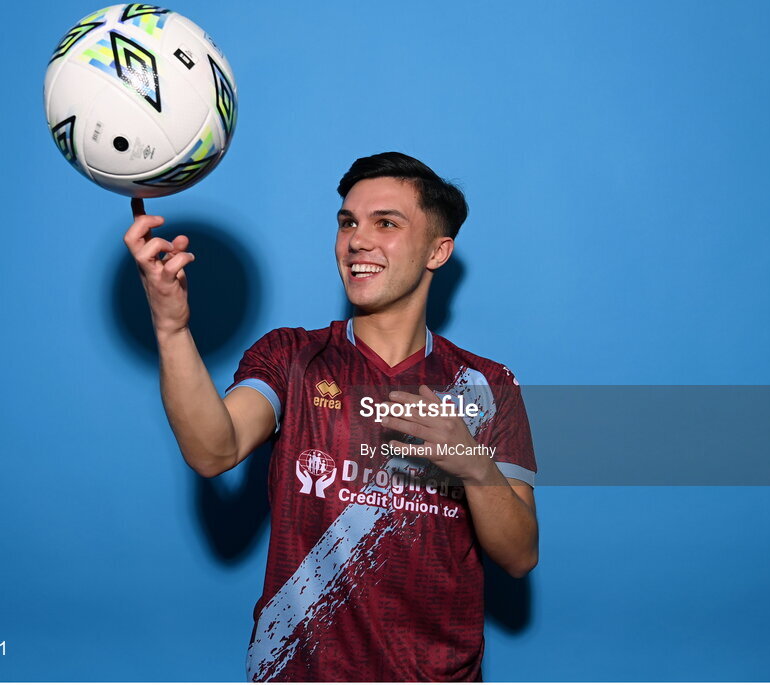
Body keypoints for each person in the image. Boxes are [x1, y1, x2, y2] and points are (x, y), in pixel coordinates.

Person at [124, 152, 539, 681]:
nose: (357, 240)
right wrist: (171, 328)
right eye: (348, 222)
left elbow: (521, 554)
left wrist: (474, 466)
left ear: (438, 250)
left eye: (385, 223)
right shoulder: (292, 357)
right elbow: (214, 450)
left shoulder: (486, 385)